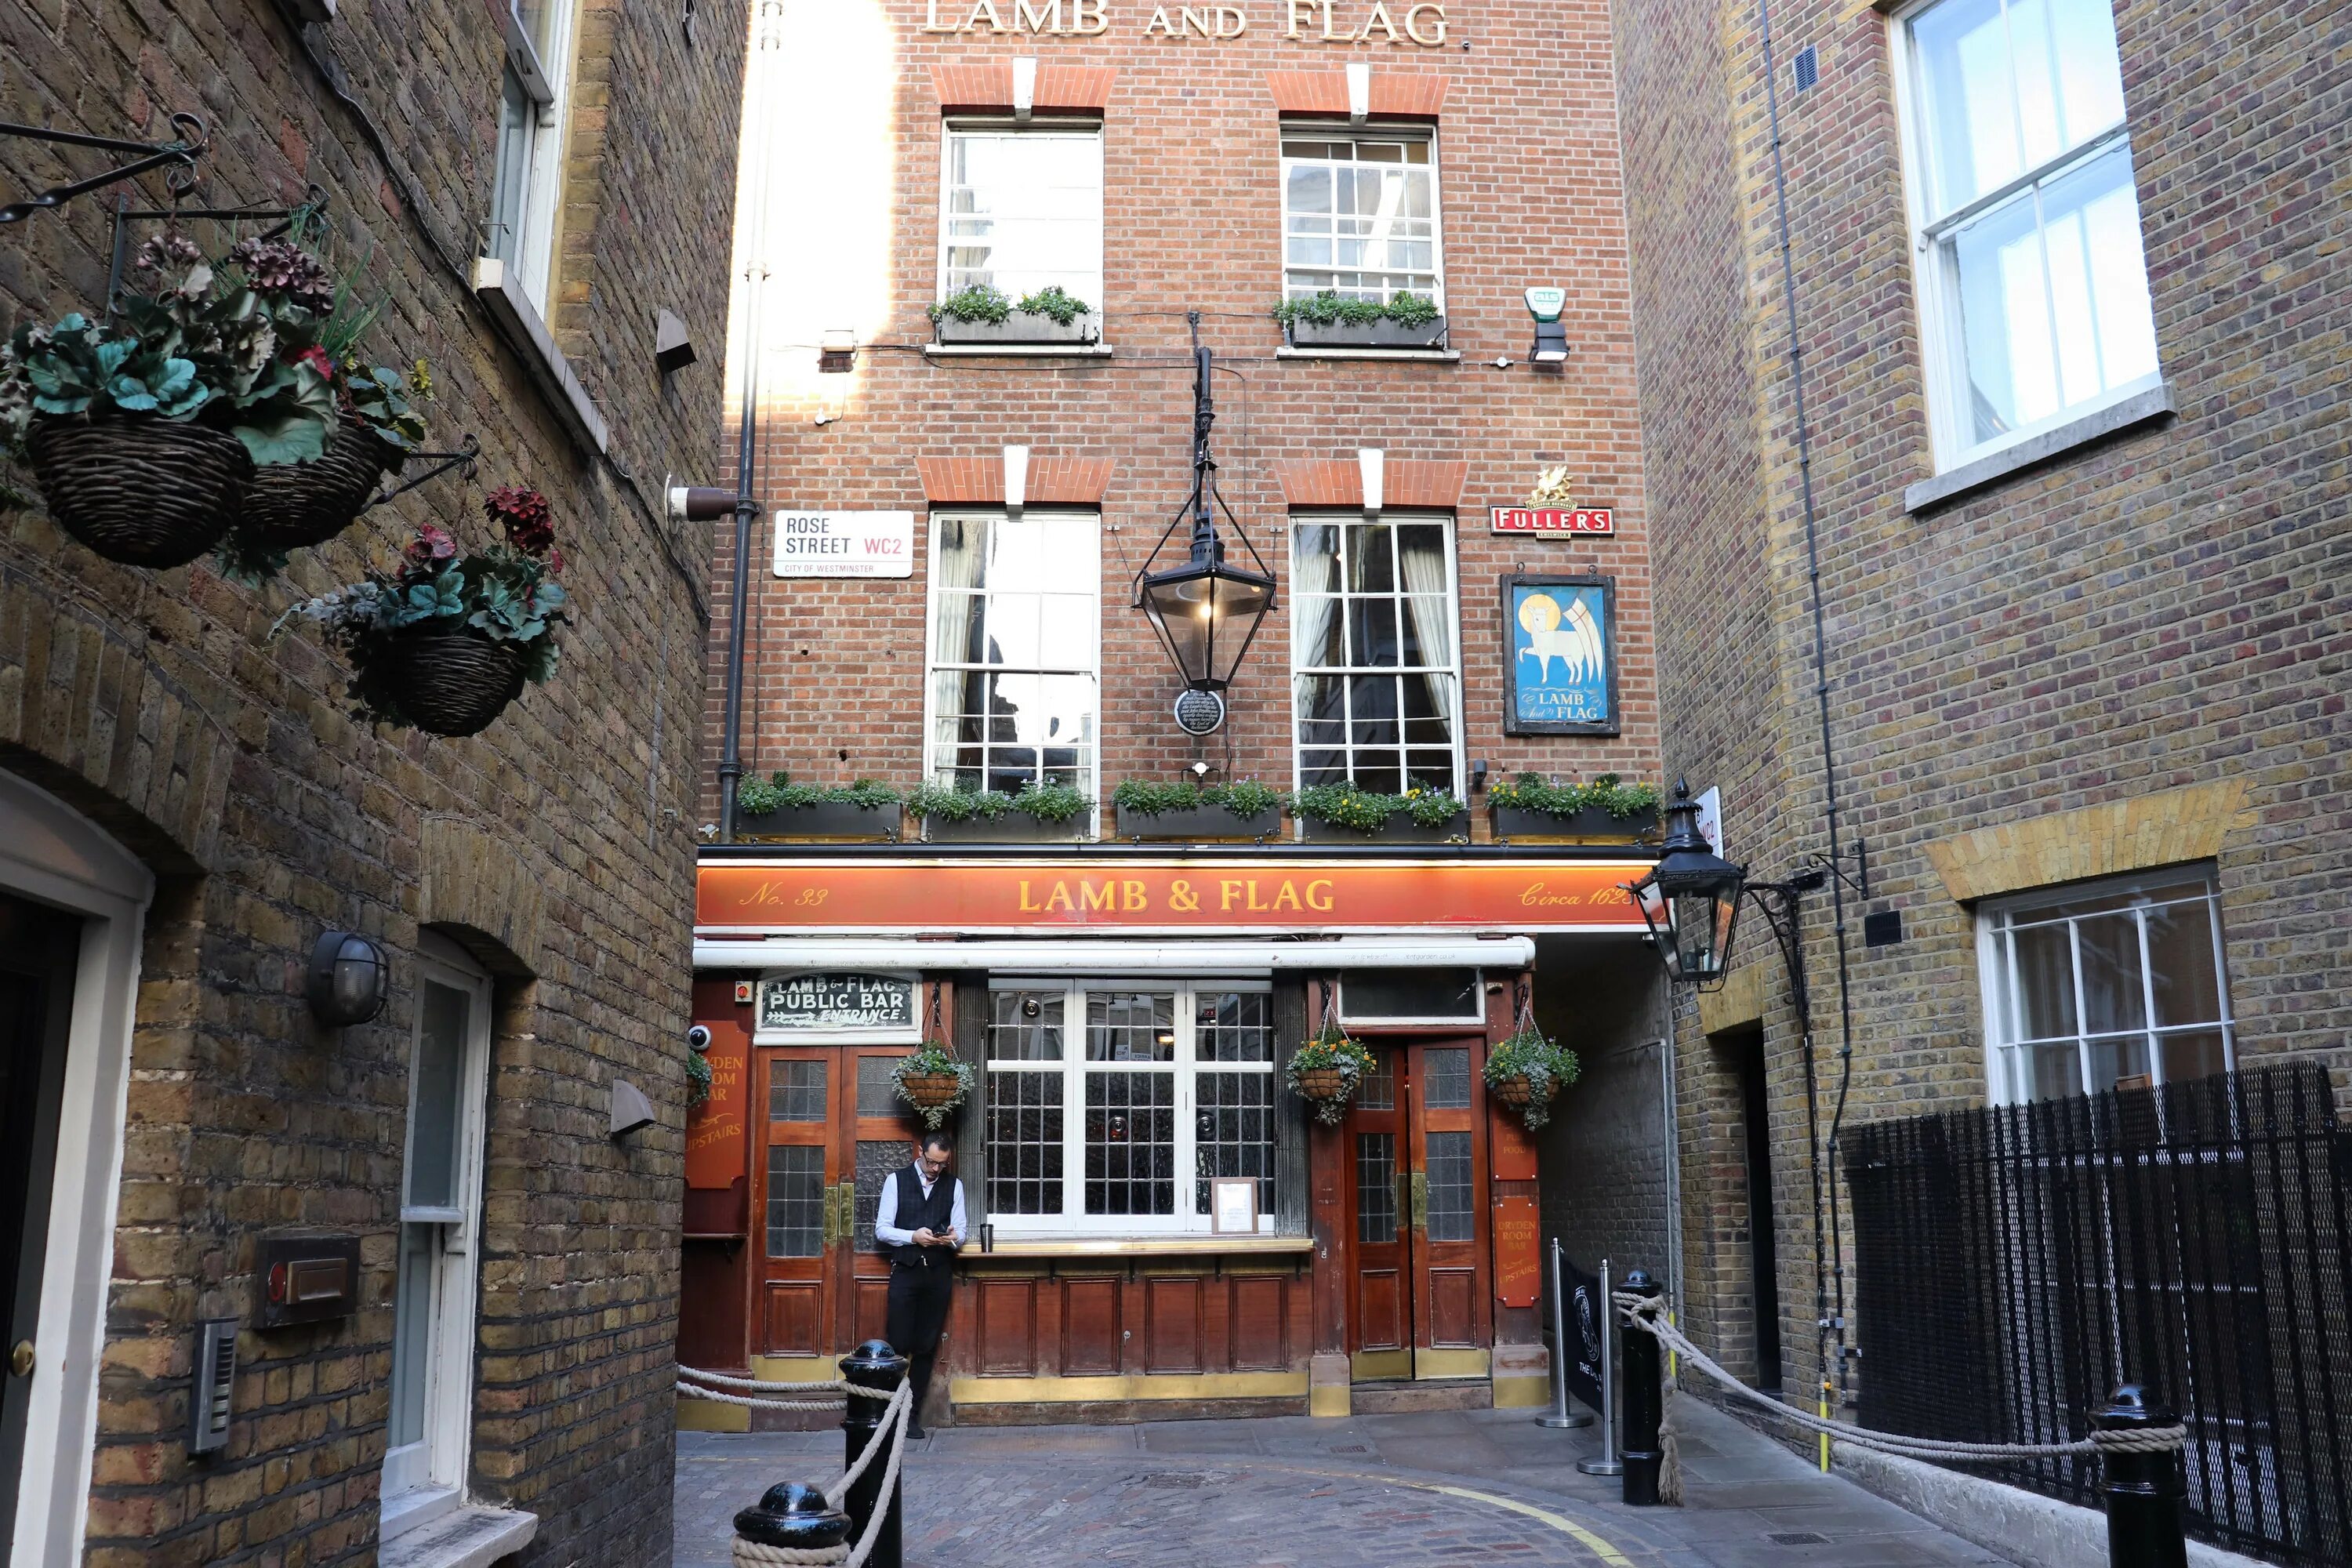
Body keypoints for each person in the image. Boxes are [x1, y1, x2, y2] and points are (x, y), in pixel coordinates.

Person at [873, 1130, 965, 1437]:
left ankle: (911, 1417)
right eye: (931, 1161)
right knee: (898, 1345)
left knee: (925, 1348)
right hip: (906, 1272)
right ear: (920, 1152)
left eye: (942, 1164)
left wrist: (953, 1238)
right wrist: (912, 1236)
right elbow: (882, 1230)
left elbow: (961, 1231)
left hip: (938, 1275)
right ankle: (889, 1413)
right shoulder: (896, 1181)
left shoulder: (954, 1186)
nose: (936, 1169)